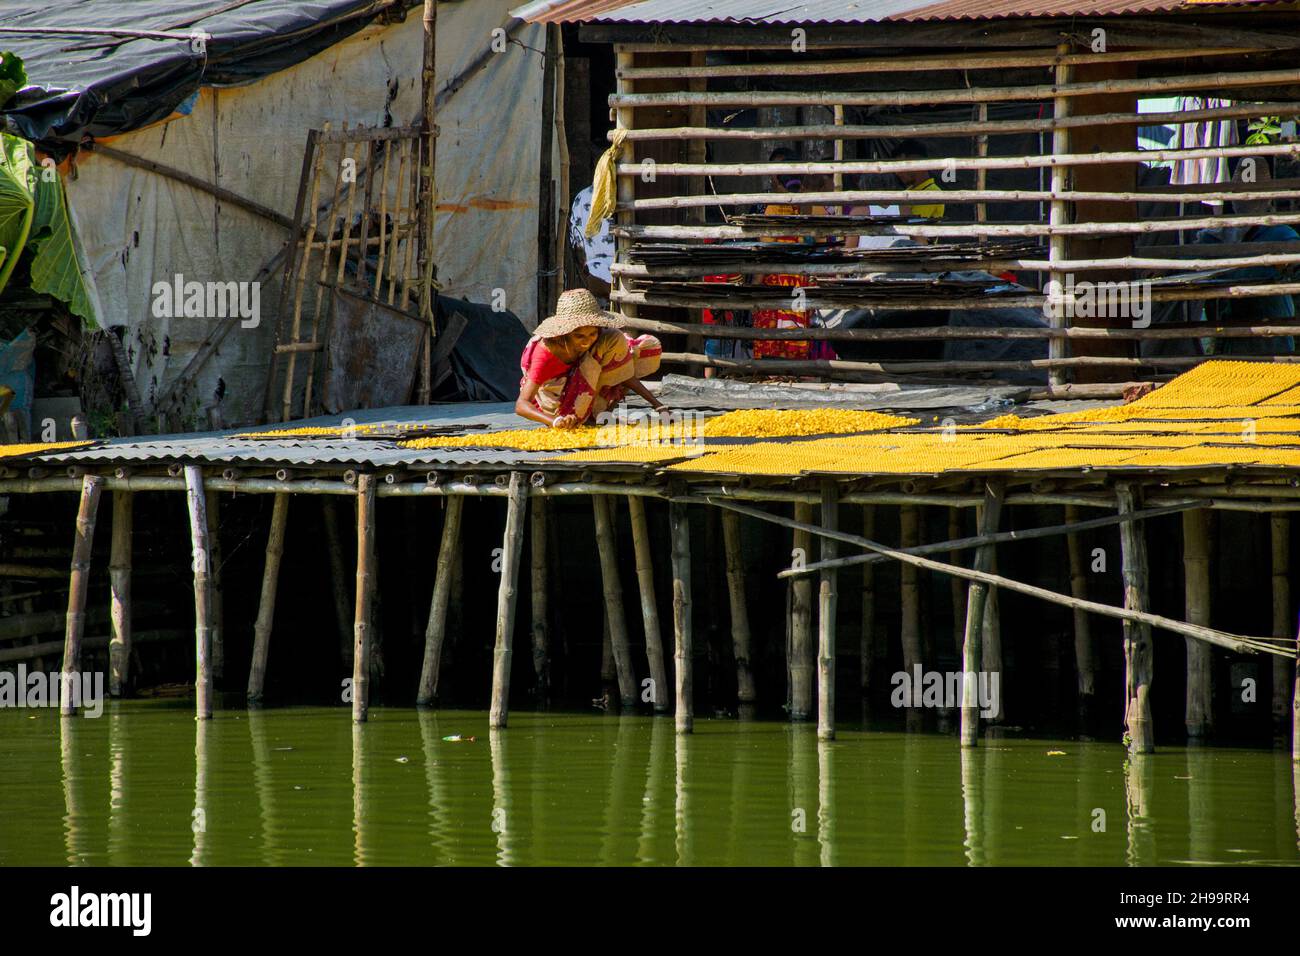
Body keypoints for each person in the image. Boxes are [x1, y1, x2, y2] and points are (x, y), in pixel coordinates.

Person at [516, 289, 666, 428]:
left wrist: (658, 405)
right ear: (565, 334)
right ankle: (582, 414)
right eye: (579, 336)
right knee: (570, 420)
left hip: (583, 388)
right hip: (553, 399)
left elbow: (625, 373)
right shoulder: (545, 355)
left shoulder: (599, 340)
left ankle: (597, 413)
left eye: (592, 334)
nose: (587, 341)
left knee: (617, 339)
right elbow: (521, 405)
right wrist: (555, 421)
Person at [1195, 157, 1298, 356]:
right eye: (1240, 194)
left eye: (1252, 195)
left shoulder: (1279, 233)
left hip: (1270, 333)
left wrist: (1287, 264)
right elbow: (1189, 262)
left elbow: (1294, 257)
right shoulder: (1215, 236)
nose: (1246, 201)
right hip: (1229, 332)